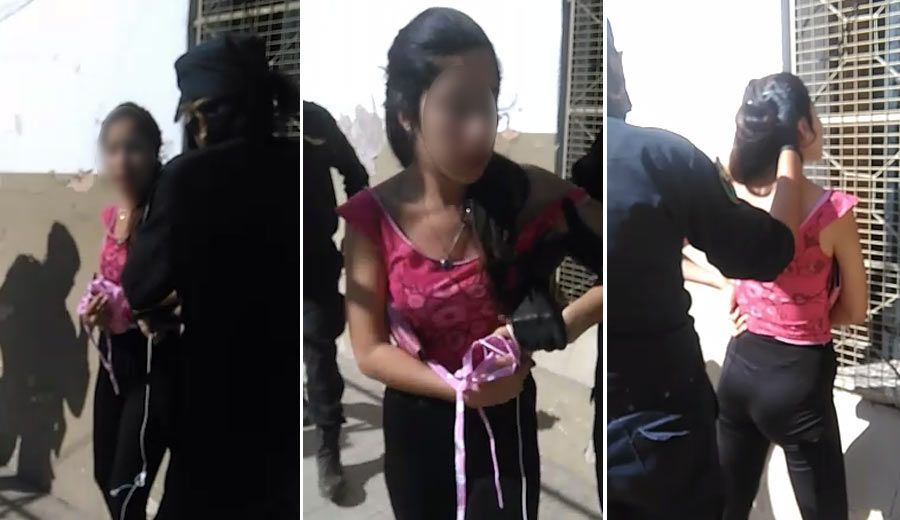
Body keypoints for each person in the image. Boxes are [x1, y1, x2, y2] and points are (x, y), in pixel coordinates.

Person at [337, 8, 601, 519]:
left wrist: (558, 324)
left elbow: (629, 262)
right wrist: (462, 391)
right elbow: (369, 350)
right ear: (407, 112)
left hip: (505, 428)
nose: (480, 128)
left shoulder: (524, 194)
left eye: (488, 104)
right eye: (458, 107)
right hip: (417, 429)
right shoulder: (372, 219)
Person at [605, 22, 803, 519]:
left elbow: (644, 250)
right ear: (612, 68)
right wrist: (791, 156)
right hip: (662, 421)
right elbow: (769, 251)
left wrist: (718, 279)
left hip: (609, 419)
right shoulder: (661, 157)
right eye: (617, 53)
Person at [121, 34, 300, 518]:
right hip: (284, 388)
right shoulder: (297, 164)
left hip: (215, 390)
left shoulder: (189, 176)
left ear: (207, 113)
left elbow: (141, 285)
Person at [713, 73, 866, 520]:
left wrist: (733, 290)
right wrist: (805, 317)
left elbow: (686, 246)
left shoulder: (733, 195)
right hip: (798, 382)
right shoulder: (832, 212)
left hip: (739, 369)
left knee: (726, 508)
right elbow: (856, 309)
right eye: (815, 112)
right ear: (802, 127)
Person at [79, 103, 177, 520]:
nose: (121, 160)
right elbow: (106, 278)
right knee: (105, 476)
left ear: (155, 150)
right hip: (114, 360)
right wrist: (96, 306)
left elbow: (189, 284)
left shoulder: (166, 214)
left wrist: (130, 308)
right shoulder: (114, 214)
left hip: (153, 362)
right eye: (113, 149)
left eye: (133, 148)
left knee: (126, 487)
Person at [303, 100, 369, 500]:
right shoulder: (242, 117)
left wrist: (356, 234)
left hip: (313, 260)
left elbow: (354, 172)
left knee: (319, 352)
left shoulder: (311, 118)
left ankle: (329, 447)